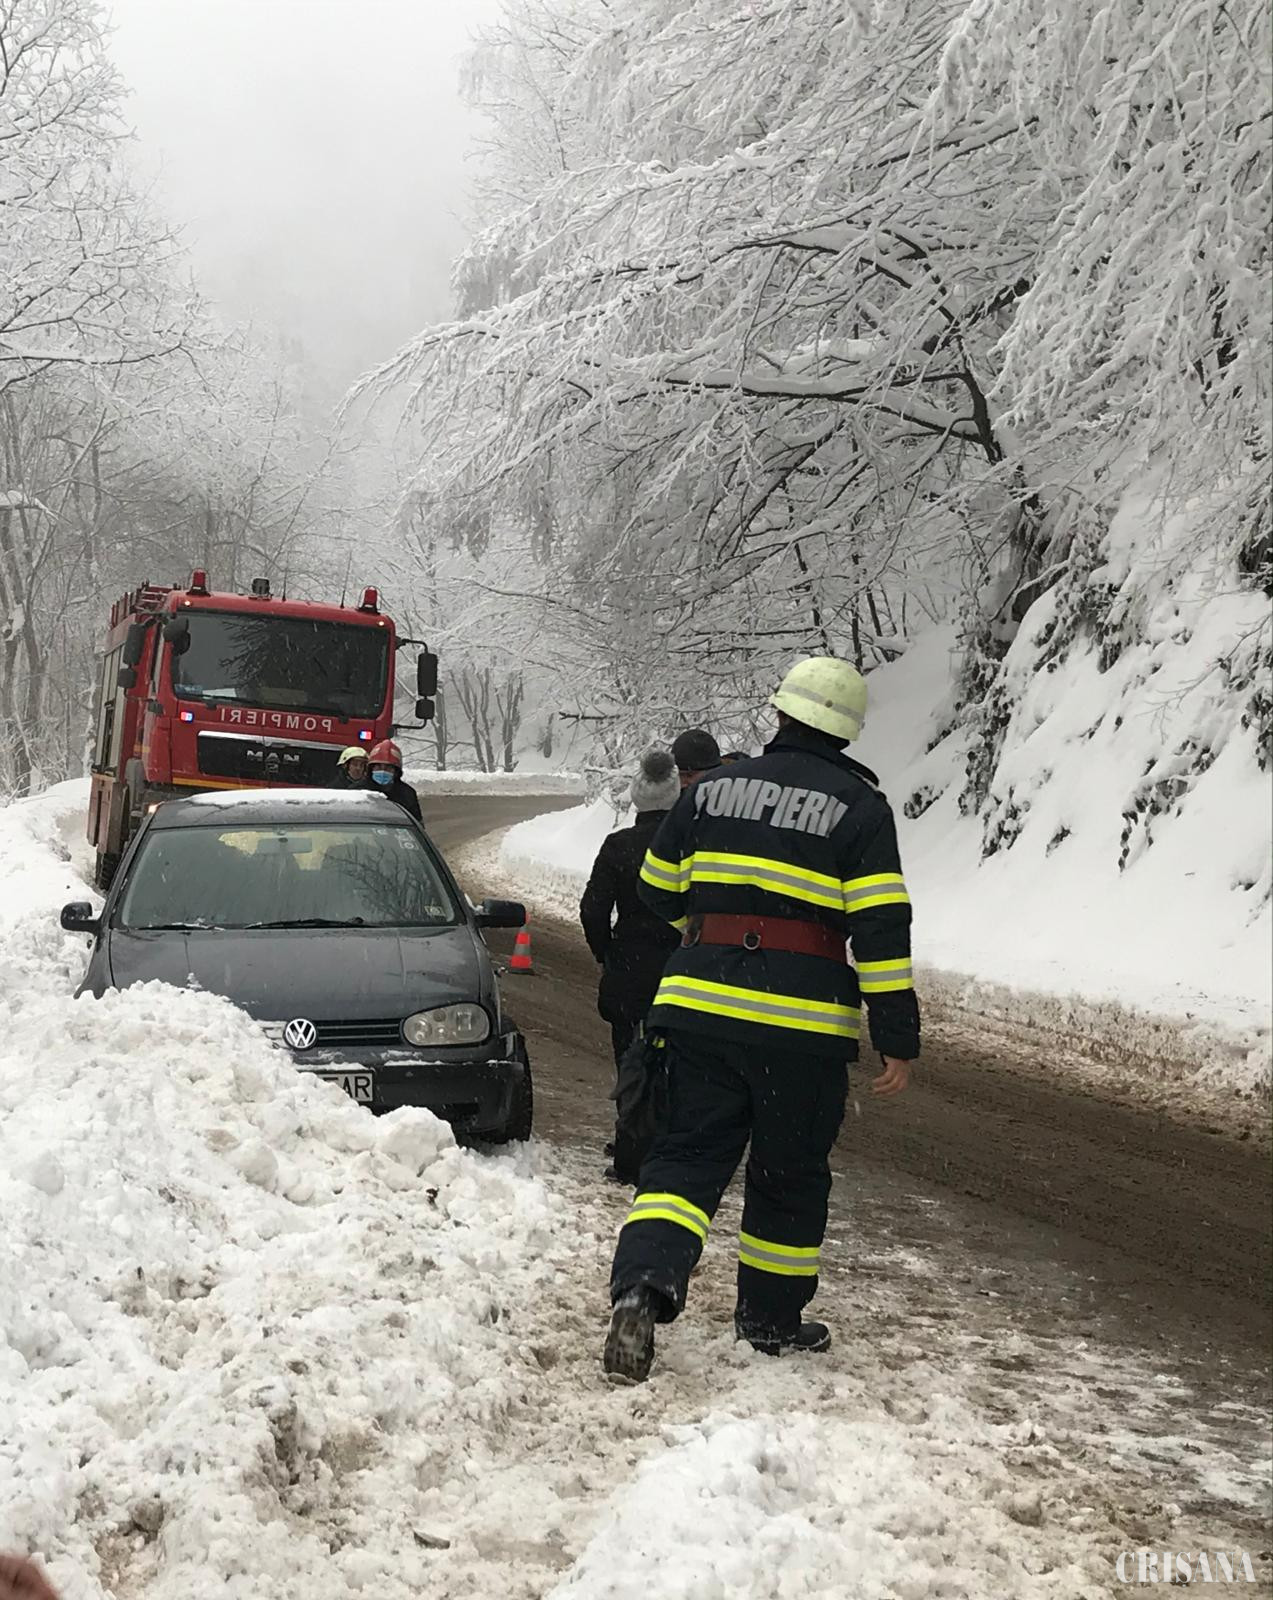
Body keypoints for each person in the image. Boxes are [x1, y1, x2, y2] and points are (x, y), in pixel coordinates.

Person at [603, 655, 919, 1383]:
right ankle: (769, 1322)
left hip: (699, 1011)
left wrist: (707, 933)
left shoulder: (709, 792)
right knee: (788, 1174)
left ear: (778, 713)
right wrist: (896, 1036)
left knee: (683, 1159)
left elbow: (656, 887)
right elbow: (880, 927)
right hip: (802, 1032)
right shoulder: (860, 809)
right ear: (848, 731)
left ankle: (641, 1287)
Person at [579, 749, 683, 1181]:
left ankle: (631, 1144)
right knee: (681, 1059)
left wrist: (607, 952)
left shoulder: (619, 846)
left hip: (630, 967)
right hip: (683, 968)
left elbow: (593, 909)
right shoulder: (691, 847)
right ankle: (673, 1146)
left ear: (637, 797)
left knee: (631, 1057)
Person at [366, 740, 422, 821]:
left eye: (388, 768)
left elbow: (416, 821)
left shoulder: (407, 794)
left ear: (396, 772)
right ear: (371, 769)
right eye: (378, 767)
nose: (383, 771)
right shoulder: (358, 790)